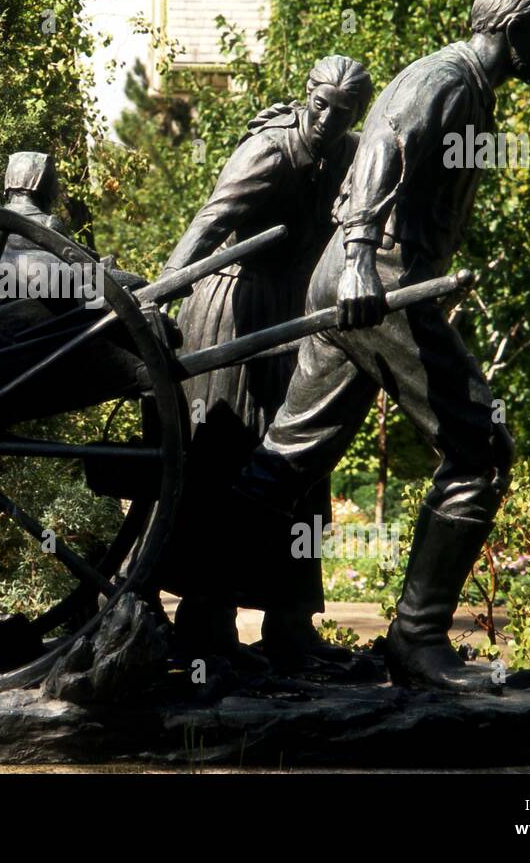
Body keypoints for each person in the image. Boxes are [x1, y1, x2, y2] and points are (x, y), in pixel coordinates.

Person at [231, 0, 530, 690]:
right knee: (480, 447)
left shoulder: (468, 87)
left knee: (286, 460)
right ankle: (417, 640)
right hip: (376, 287)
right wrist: (357, 260)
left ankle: (208, 618)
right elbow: (382, 147)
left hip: (361, 283)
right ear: (515, 28)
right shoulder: (444, 78)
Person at [157, 56, 373, 667]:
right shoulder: (270, 150)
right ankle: (206, 618)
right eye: (323, 103)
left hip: (295, 314)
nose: (330, 119)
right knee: (228, 454)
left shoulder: (349, 154)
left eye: (345, 111)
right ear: (308, 94)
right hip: (235, 307)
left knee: (300, 456)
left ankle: (290, 623)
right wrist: (166, 286)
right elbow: (214, 218)